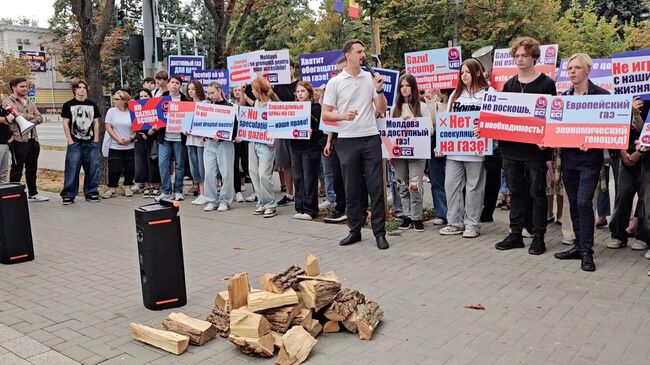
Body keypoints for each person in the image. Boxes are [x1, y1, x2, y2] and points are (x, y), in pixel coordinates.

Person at [322, 39, 389, 250]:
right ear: (348, 55)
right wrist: (343, 116)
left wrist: (379, 90)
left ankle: (380, 233)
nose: (363, 54)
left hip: (370, 137)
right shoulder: (336, 82)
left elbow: (381, 109)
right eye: (359, 51)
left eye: (363, 51)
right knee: (351, 188)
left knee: (375, 187)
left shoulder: (370, 79)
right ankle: (355, 230)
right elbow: (326, 113)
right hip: (347, 140)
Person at [493, 37, 556, 255]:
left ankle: (538, 236)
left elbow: (552, 118)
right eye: (517, 56)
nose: (520, 59)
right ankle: (516, 234)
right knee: (516, 192)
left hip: (535, 152)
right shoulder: (509, 84)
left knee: (537, 193)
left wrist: (546, 139)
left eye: (524, 55)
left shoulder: (546, 84)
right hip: (511, 150)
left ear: (534, 57)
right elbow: (502, 116)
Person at [553, 53, 610, 272]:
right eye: (569, 69)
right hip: (568, 159)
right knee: (574, 203)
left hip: (589, 160)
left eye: (577, 68)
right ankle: (578, 245)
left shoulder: (602, 96)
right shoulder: (563, 98)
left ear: (588, 70)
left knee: (584, 202)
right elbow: (555, 127)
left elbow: (609, 130)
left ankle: (587, 251)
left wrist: (594, 141)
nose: (572, 72)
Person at [439, 59, 492, 238]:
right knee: (451, 186)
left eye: (467, 72)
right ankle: (454, 222)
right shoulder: (455, 94)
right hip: (455, 149)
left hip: (476, 149)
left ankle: (472, 224)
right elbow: (447, 121)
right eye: (461, 73)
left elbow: (494, 118)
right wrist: (441, 144)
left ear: (477, 73)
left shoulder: (488, 93)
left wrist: (485, 130)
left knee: (473, 188)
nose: (463, 75)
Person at [392, 74, 432, 232]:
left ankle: (417, 217)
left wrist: (415, 123)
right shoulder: (395, 108)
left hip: (417, 154)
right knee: (402, 185)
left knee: (414, 185)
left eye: (407, 85)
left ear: (413, 87)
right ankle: (407, 216)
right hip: (400, 154)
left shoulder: (421, 107)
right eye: (402, 86)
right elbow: (390, 132)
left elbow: (429, 129)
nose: (404, 88)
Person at [607, 97, 647, 251]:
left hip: (645, 155)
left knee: (644, 198)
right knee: (622, 194)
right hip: (624, 154)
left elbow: (644, 130)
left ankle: (643, 236)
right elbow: (613, 126)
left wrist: (636, 113)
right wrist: (622, 150)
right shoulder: (620, 97)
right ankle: (618, 234)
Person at [1, 78, 47, 201]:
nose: (25, 89)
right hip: (18, 139)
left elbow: (40, 117)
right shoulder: (7, 100)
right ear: (13, 87)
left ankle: (33, 193)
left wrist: (28, 118)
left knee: (32, 167)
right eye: (22, 86)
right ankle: (13, 195)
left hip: (32, 138)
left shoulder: (29, 101)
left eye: (26, 86)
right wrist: (30, 116)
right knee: (17, 169)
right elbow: (14, 115)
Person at [241, 77, 279, 218]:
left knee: (264, 174)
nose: (252, 91)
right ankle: (261, 202)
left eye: (253, 89)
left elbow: (278, 124)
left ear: (259, 90)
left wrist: (273, 138)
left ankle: (270, 204)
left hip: (267, 144)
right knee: (254, 173)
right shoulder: (256, 103)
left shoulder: (273, 105)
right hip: (253, 142)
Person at [59, 79, 101, 204]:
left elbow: (96, 122)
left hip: (91, 142)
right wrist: (70, 140)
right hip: (75, 142)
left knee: (93, 168)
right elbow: (66, 123)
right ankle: (68, 194)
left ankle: (91, 192)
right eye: (79, 87)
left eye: (84, 87)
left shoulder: (92, 104)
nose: (82, 89)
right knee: (72, 168)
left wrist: (96, 139)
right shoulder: (68, 105)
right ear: (75, 90)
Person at [291, 81, 323, 220]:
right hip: (296, 147)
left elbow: (321, 130)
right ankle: (300, 207)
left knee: (309, 177)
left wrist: (313, 132)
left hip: (310, 147)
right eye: (298, 92)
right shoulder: (292, 108)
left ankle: (310, 210)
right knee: (298, 178)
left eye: (303, 91)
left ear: (309, 93)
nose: (300, 94)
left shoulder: (315, 108)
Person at [204, 81, 237, 212]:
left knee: (226, 173)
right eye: (208, 93)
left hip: (224, 143)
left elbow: (234, 128)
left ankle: (225, 200)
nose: (210, 95)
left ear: (219, 91)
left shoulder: (229, 106)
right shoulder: (206, 107)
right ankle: (211, 199)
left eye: (212, 92)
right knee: (209, 173)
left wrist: (222, 136)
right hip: (210, 143)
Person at [156, 75, 190, 201]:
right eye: (172, 82)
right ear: (168, 84)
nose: (174, 85)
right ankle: (166, 190)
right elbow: (156, 116)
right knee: (163, 164)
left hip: (179, 139)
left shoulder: (185, 100)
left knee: (180, 165)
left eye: (177, 83)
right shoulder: (161, 99)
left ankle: (178, 190)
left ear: (180, 85)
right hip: (164, 138)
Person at [101, 90, 136, 199]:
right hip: (115, 145)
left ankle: (128, 186)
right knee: (114, 168)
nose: (114, 101)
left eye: (117, 99)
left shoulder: (132, 112)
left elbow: (137, 127)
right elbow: (108, 127)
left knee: (129, 167)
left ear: (124, 101)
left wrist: (131, 138)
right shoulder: (111, 111)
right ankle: (112, 188)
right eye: (114, 98)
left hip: (129, 145)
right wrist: (117, 139)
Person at [274, 61, 299, 206]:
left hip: (295, 127)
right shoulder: (277, 86)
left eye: (289, 68)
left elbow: (294, 103)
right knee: (286, 163)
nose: (287, 71)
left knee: (297, 162)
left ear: (293, 69)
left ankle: (299, 192)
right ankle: (289, 193)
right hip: (281, 127)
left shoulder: (298, 85)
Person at [423, 88, 450, 225]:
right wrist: (430, 102)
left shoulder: (455, 102)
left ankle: (454, 212)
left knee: (452, 181)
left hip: (452, 144)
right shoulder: (435, 104)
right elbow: (431, 122)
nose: (438, 91)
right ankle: (441, 213)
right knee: (436, 180)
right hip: (435, 144)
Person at [133, 89, 161, 198]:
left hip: (153, 138)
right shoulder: (136, 108)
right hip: (140, 138)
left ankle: (156, 186)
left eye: (146, 96)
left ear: (150, 96)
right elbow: (135, 123)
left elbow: (160, 122)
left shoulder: (155, 107)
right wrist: (141, 133)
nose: (143, 98)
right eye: (141, 96)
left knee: (153, 161)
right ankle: (146, 186)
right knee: (141, 162)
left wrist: (151, 131)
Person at [186, 80, 207, 205]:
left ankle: (205, 193)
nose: (191, 91)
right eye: (189, 89)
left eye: (193, 89)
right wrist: (185, 131)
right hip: (190, 140)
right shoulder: (188, 105)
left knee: (202, 167)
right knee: (194, 168)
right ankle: (201, 192)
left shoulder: (204, 104)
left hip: (200, 140)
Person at [0, 106, 11, 183]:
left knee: (3, 173)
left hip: (5, 142)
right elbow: (7, 119)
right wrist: (7, 119)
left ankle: (3, 190)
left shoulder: (1, 108)